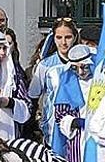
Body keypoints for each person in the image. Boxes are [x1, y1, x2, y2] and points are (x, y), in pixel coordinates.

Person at [29, 18, 78, 153]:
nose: (63, 42)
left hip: (77, 123)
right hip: (52, 127)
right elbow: (33, 94)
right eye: (59, 37)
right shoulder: (46, 65)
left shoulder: (83, 63)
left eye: (68, 37)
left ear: (74, 37)